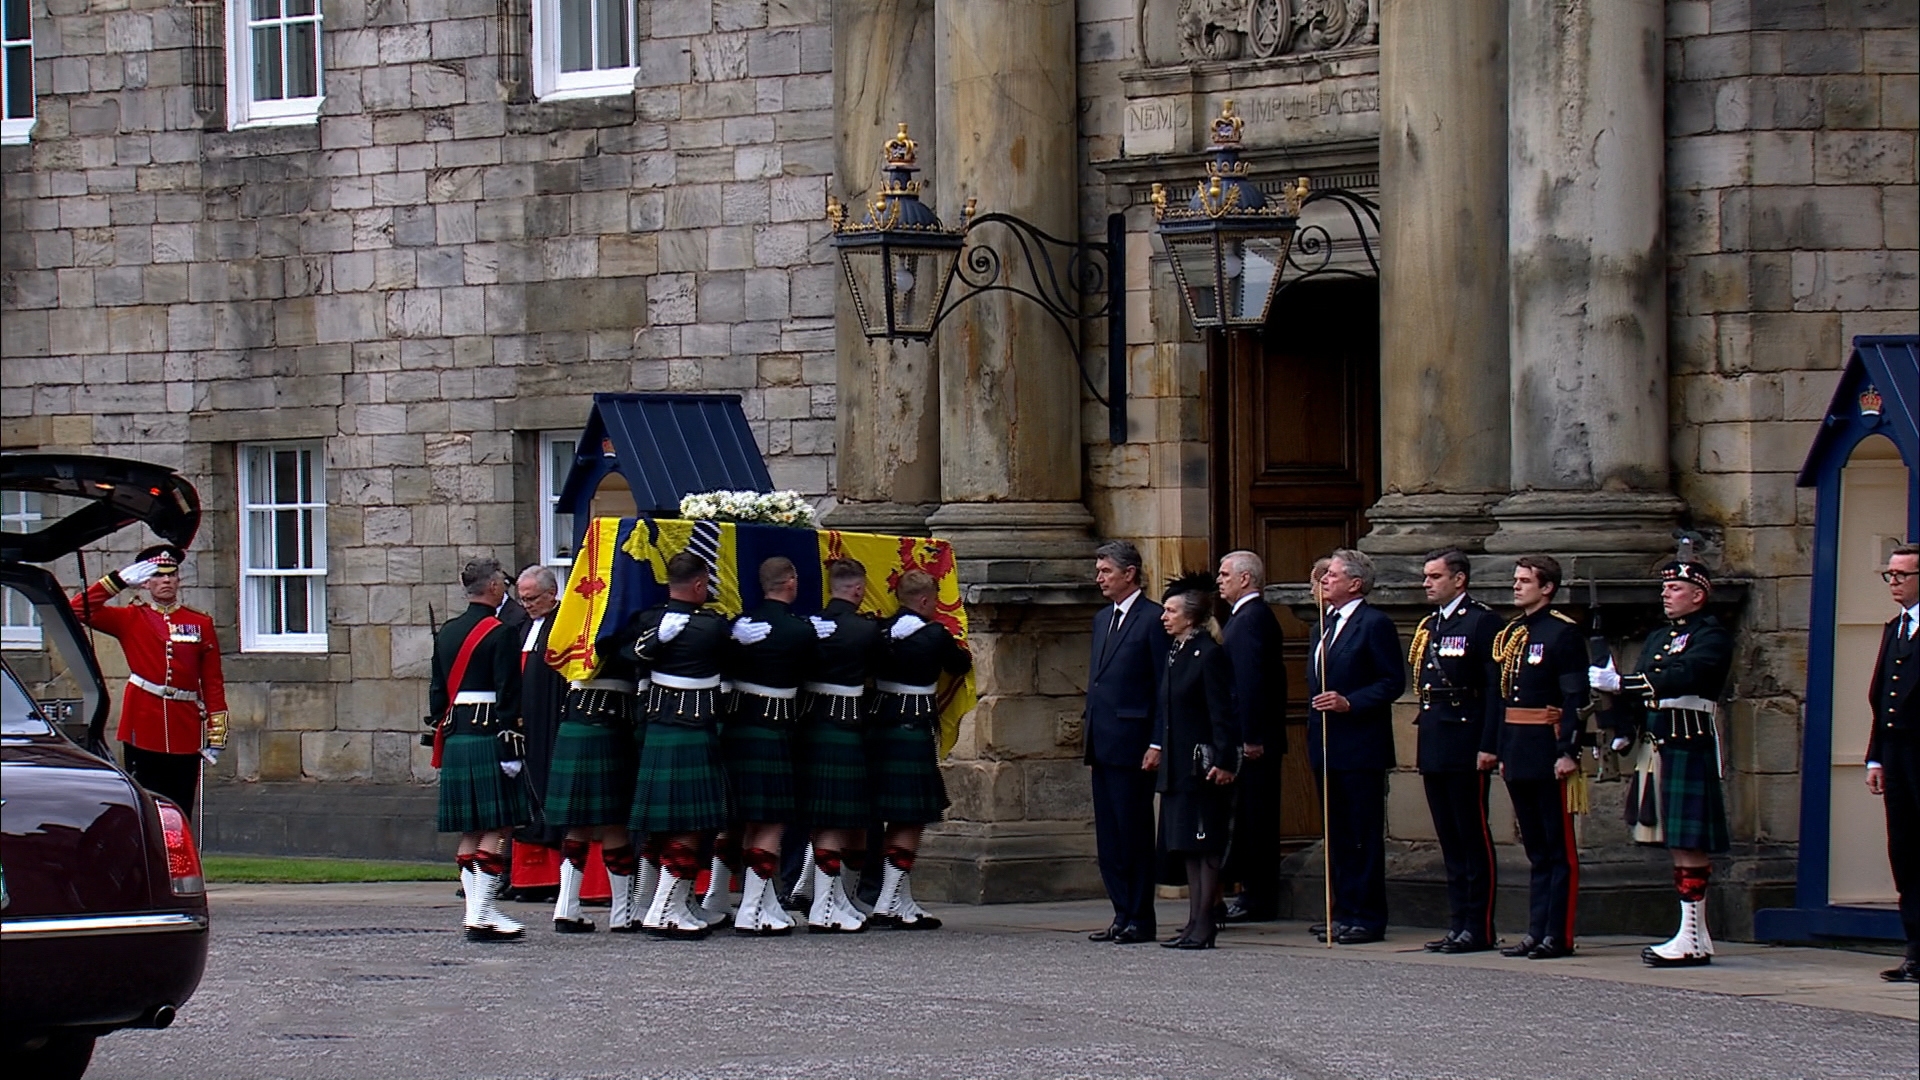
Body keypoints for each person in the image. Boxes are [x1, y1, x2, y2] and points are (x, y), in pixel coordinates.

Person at [1591, 556, 1732, 967]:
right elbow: (1643, 688)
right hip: (1660, 744)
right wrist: (1622, 726)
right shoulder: (1659, 636)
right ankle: (1696, 935)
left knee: (1689, 842)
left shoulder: (1712, 635)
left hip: (1689, 742)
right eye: (1665, 589)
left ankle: (1689, 936)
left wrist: (1624, 683)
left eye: (1675, 589)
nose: (1666, 595)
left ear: (1698, 595)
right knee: (1674, 841)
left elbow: (1686, 674)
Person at [70, 544, 229, 818]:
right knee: (144, 805)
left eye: (171, 574)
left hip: (184, 724)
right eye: (157, 575)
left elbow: (212, 680)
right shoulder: (131, 617)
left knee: (179, 807)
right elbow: (77, 610)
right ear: (145, 582)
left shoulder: (199, 623)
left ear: (179, 579)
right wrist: (117, 581)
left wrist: (217, 731)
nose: (165, 580)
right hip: (143, 722)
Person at [629, 551, 733, 939]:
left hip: (659, 727)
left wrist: (655, 638)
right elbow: (736, 658)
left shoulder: (649, 621)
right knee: (689, 823)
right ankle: (664, 909)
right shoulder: (710, 628)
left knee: (662, 824)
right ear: (700, 584)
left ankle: (674, 901)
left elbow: (632, 655)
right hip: (692, 729)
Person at [1305, 548, 1405, 945]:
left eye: (1332, 574)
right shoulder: (1322, 626)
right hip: (1326, 744)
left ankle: (1367, 915)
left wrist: (1351, 701)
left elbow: (1391, 681)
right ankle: (1342, 910)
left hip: (1360, 745)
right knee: (1338, 833)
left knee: (1361, 833)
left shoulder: (1373, 624)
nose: (1324, 580)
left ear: (1355, 583)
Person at [1491, 555, 1588, 960]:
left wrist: (1568, 750)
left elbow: (1575, 698)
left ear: (1546, 588)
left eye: (1525, 581)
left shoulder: (1562, 633)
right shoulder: (1514, 632)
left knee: (1556, 847)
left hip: (1548, 749)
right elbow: (1503, 696)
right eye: (1515, 580)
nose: (1516, 587)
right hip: (1519, 747)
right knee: (1535, 847)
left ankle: (1558, 933)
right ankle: (1536, 929)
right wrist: (1500, 749)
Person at [544, 566, 649, 934]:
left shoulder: (571, 621)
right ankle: (621, 912)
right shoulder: (617, 627)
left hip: (575, 723)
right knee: (614, 821)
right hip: (607, 725)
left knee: (579, 824)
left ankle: (567, 907)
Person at [429, 557, 529, 942]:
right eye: (503, 582)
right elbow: (508, 692)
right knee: (497, 826)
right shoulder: (501, 632)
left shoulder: (448, 631)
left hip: (457, 733)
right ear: (491, 587)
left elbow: (438, 694)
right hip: (491, 733)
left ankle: (477, 911)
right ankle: (481, 913)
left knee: (470, 830)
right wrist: (511, 741)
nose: (505, 587)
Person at [866, 569, 972, 930]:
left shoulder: (879, 631)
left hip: (877, 727)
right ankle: (886, 901)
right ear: (926, 601)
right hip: (912, 730)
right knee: (909, 818)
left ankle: (901, 899)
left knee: (886, 814)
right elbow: (961, 664)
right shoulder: (934, 634)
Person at [1410, 548, 1503, 954]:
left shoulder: (1482, 622)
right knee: (1449, 836)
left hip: (1466, 737)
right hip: (1436, 736)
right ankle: (1457, 921)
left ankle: (1478, 925)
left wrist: (1489, 744)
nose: (1427, 583)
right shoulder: (1430, 624)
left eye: (1434, 576)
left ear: (1459, 579)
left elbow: (1494, 691)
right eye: (1426, 577)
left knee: (1472, 834)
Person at [1084, 540, 1172, 946]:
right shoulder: (1103, 618)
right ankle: (1121, 912)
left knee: (1134, 832)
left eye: (1106, 571)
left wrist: (1157, 741)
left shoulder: (1154, 619)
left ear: (1129, 574)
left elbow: (1162, 687)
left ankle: (1141, 915)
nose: (1099, 577)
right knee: (1110, 836)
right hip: (1102, 740)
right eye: (1099, 570)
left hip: (1134, 741)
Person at [721, 556, 815, 935]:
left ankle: (759, 901)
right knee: (772, 824)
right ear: (790, 582)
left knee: (742, 823)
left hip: (738, 729)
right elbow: (813, 674)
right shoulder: (798, 631)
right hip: (775, 730)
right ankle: (750, 907)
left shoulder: (739, 626)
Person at [1146, 574, 1238, 950]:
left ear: (1192, 618)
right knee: (1185, 843)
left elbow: (1223, 712)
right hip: (1177, 762)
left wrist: (1225, 759)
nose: (1164, 617)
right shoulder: (1176, 652)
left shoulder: (1209, 653)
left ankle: (1205, 923)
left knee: (1205, 844)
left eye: (1171, 611)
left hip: (1203, 764)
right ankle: (1192, 921)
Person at [795, 558, 885, 932]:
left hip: (811, 725)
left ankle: (833, 897)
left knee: (829, 815)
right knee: (837, 817)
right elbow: (884, 667)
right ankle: (825, 905)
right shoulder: (864, 631)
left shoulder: (807, 627)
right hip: (847, 726)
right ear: (859, 590)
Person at [1215, 550, 1286, 924]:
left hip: (1253, 741)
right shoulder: (1243, 618)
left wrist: (1251, 736)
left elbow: (1250, 683)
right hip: (1249, 737)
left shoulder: (1251, 619)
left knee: (1255, 820)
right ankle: (1250, 891)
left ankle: (1258, 896)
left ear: (1246, 579)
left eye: (1226, 574)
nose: (1219, 580)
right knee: (1246, 818)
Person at [1866, 543, 1919, 982]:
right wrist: (1874, 758)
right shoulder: (1894, 628)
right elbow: (1880, 698)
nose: (1894, 583)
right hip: (1898, 754)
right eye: (1891, 575)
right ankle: (1915, 948)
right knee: (1905, 851)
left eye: (1902, 575)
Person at [508, 565, 569, 904]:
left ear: (551, 594)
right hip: (524, 725)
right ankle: (529, 880)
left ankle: (557, 880)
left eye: (532, 598)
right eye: (523, 599)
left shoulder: (562, 626)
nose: (527, 604)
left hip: (552, 722)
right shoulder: (521, 628)